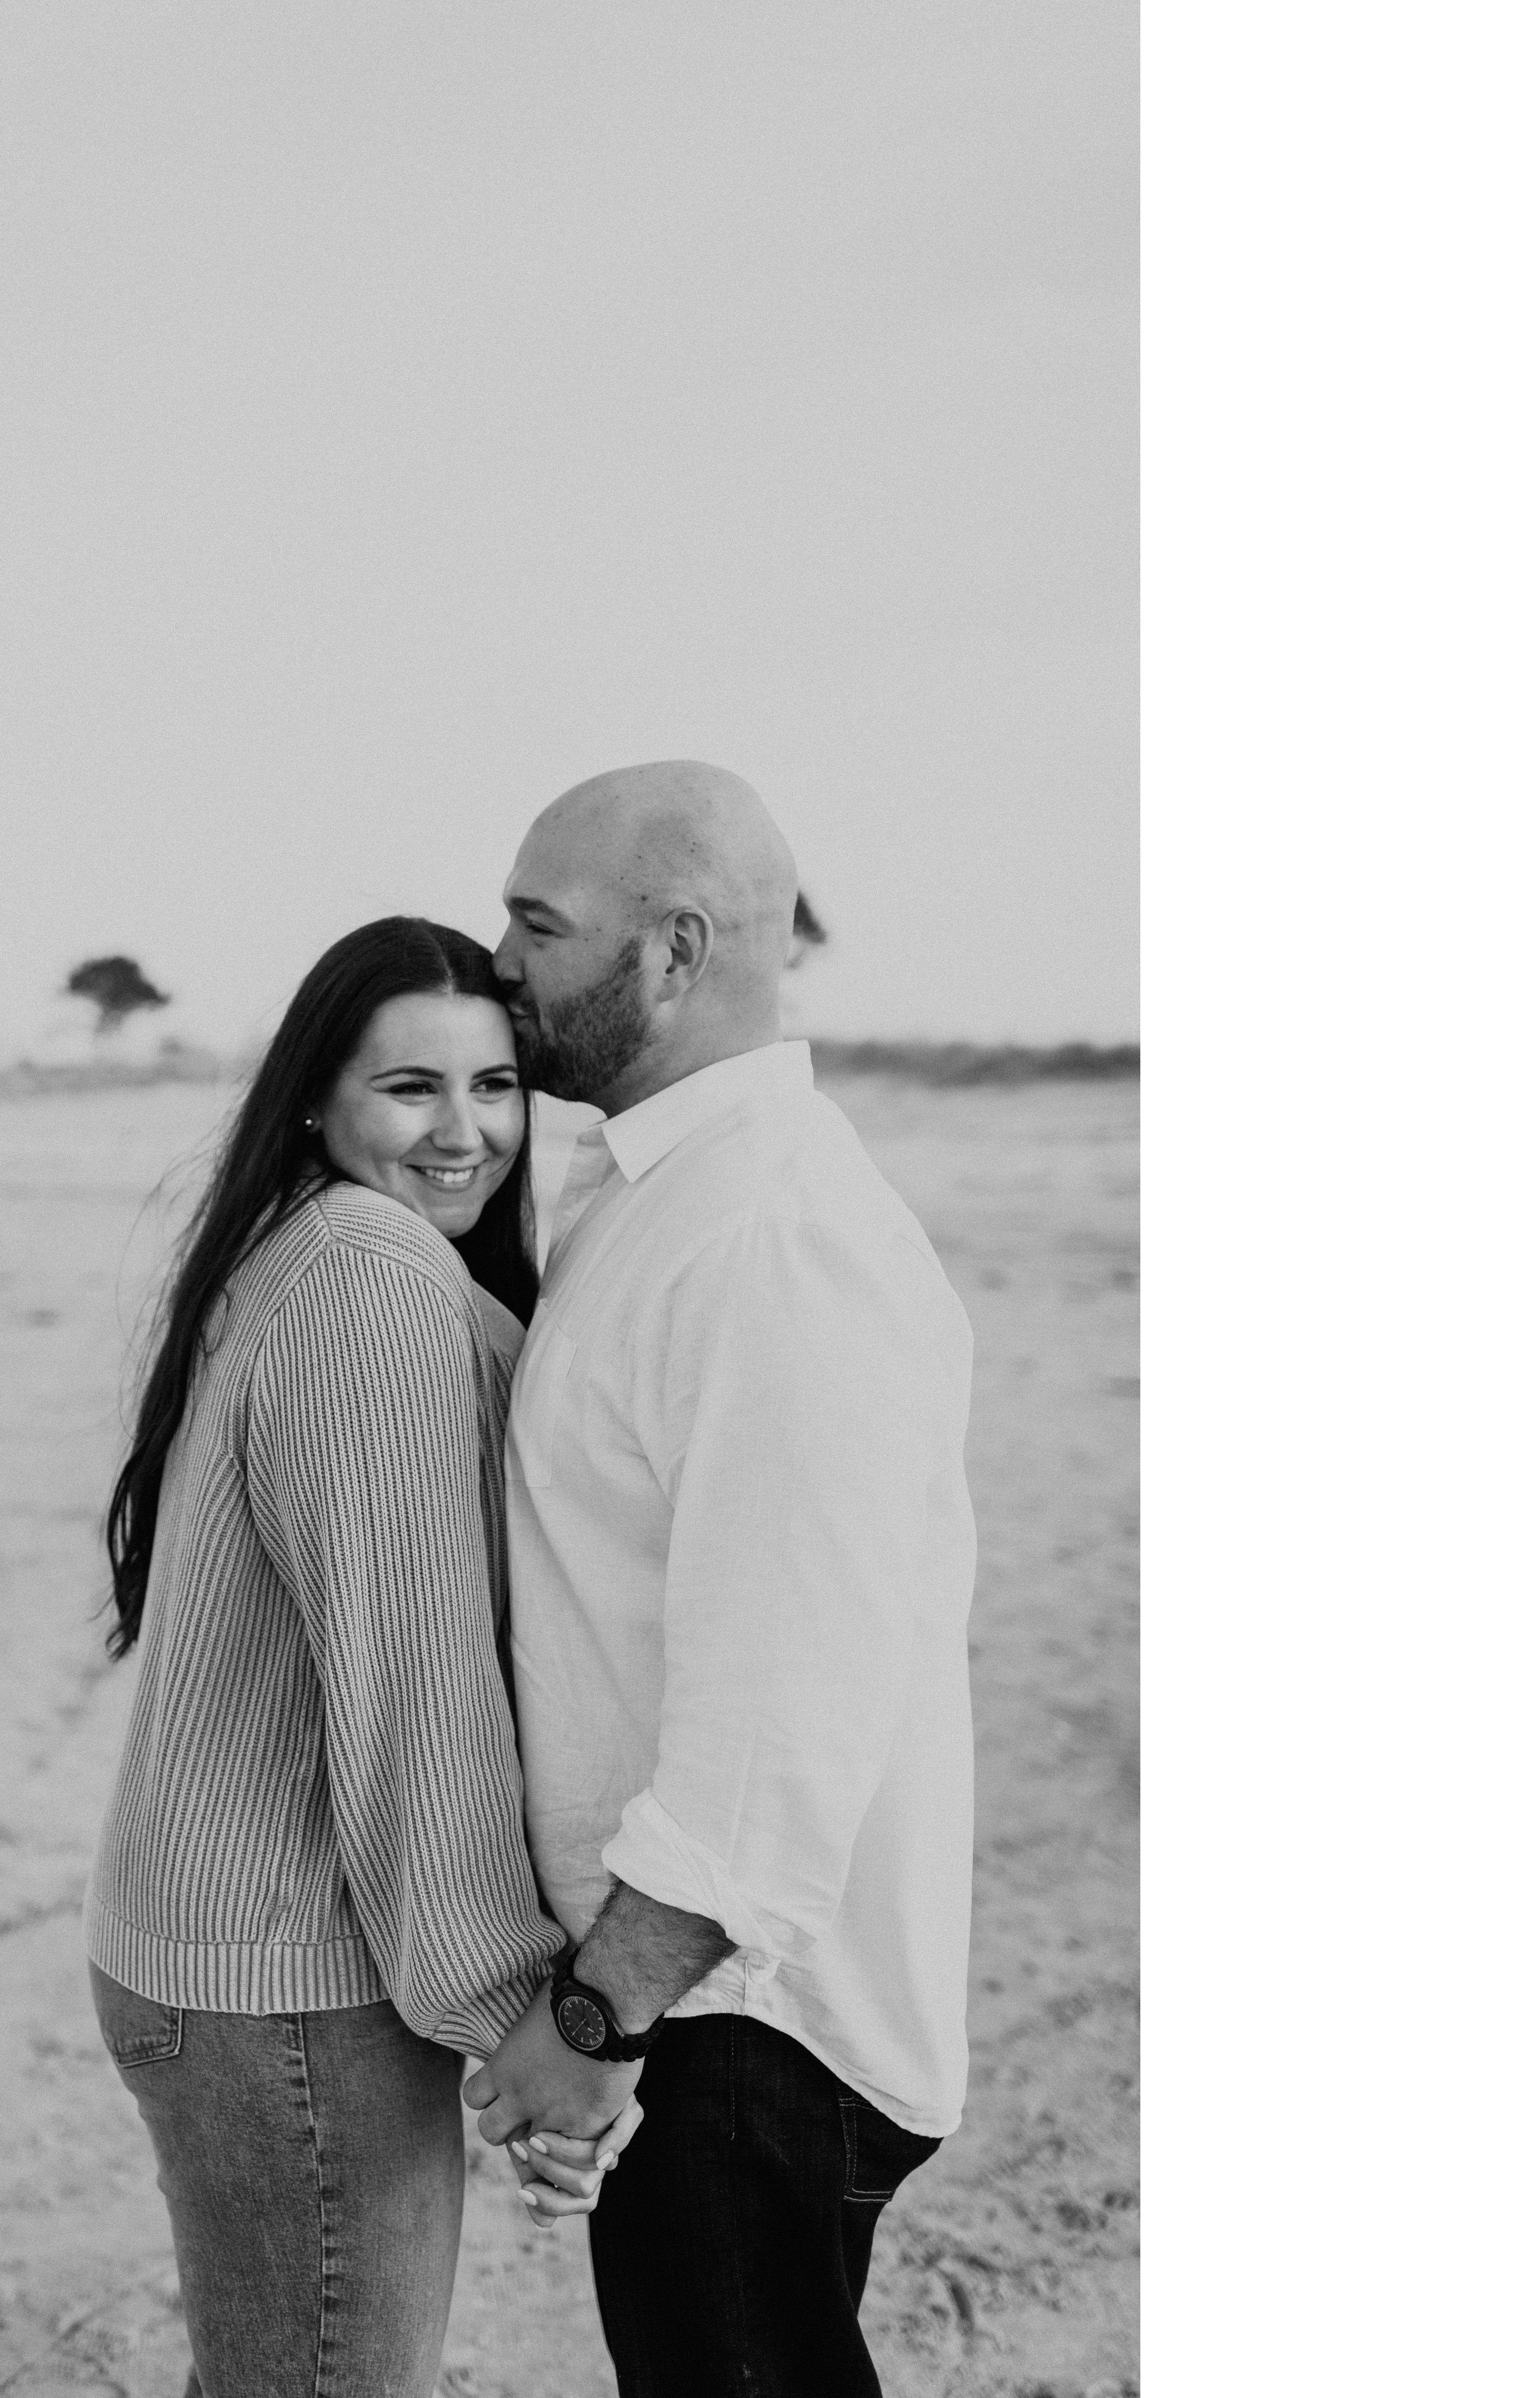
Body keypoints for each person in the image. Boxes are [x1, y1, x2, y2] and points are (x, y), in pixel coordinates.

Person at [463, 762, 978, 2396]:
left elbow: (780, 1715)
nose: (498, 964)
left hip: (741, 2025)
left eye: (538, 926)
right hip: (703, 2003)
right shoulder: (662, 1192)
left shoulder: (769, 1238)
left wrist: (599, 2020)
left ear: (675, 950)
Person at [87, 917, 639, 2398]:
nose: (466, 1133)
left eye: (496, 1085)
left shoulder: (313, 1245)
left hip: (235, 1959)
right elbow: (410, 1694)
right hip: (287, 1992)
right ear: (316, 1103)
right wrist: (526, 2023)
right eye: (411, 1088)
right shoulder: (367, 1282)